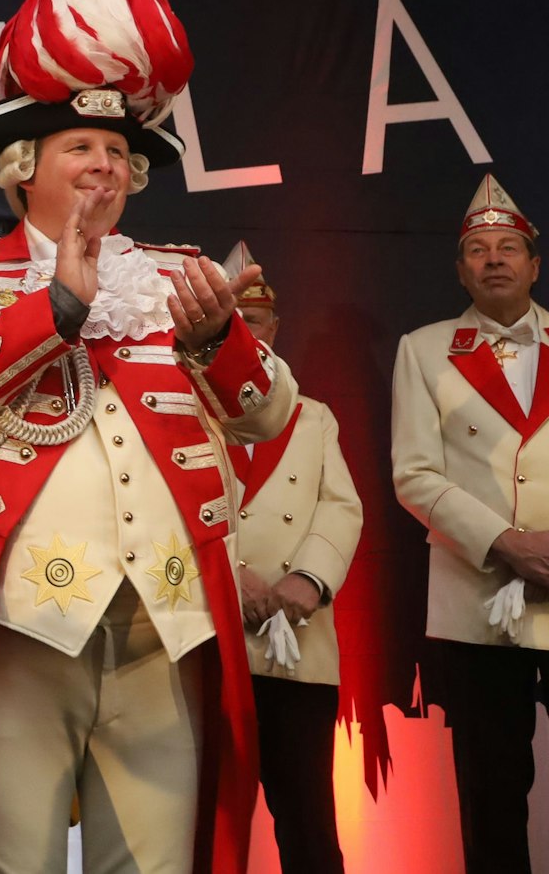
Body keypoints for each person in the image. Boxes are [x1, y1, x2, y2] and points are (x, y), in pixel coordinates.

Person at [0, 0, 297, 874]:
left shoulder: (173, 278)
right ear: (25, 167)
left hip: (166, 628)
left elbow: (272, 413)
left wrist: (215, 343)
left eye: (120, 152)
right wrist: (54, 309)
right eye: (83, 149)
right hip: (17, 633)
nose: (107, 168)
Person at [392, 174, 547, 874]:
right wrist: (506, 542)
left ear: (533, 264)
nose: (494, 259)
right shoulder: (423, 349)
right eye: (478, 250)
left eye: (507, 247)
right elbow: (414, 474)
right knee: (489, 794)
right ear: (460, 269)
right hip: (478, 601)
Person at [221, 241, 360, 874]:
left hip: (297, 646)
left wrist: (309, 578)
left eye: (255, 322)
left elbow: (341, 507)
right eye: (230, 321)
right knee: (206, 824)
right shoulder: (178, 411)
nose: (245, 334)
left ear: (275, 330)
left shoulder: (314, 418)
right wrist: (227, 573)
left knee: (309, 826)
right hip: (209, 643)